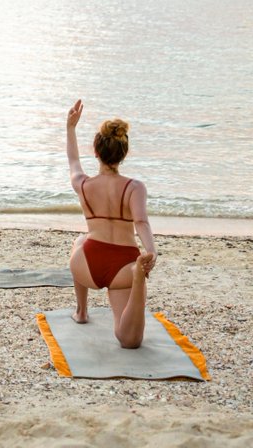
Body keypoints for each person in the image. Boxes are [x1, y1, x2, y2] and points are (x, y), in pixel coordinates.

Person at [65, 99, 157, 348]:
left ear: (96, 152)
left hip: (86, 265)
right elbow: (141, 222)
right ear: (124, 154)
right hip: (123, 269)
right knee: (129, 341)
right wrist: (151, 251)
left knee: (81, 240)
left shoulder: (83, 185)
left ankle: (81, 311)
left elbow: (73, 162)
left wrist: (70, 129)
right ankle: (137, 281)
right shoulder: (134, 187)